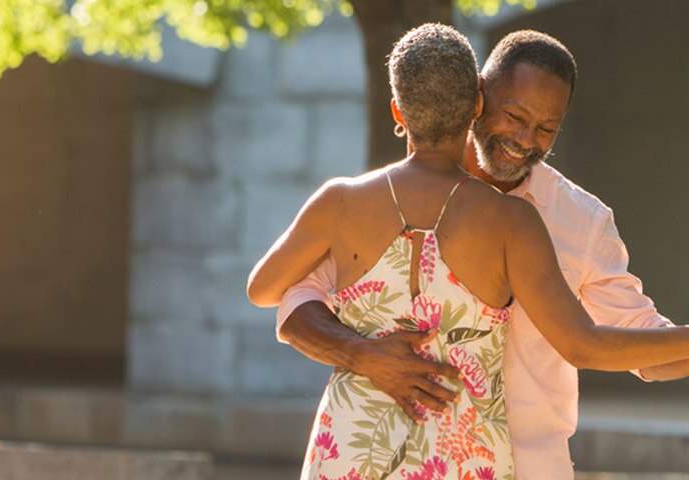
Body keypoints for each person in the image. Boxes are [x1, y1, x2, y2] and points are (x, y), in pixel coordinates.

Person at [246, 24, 689, 480]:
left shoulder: (581, 221)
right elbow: (294, 297)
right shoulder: (415, 207)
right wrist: (360, 353)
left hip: (518, 461)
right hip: (403, 451)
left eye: (546, 129)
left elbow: (640, 346)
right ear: (479, 96)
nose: (526, 140)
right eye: (515, 117)